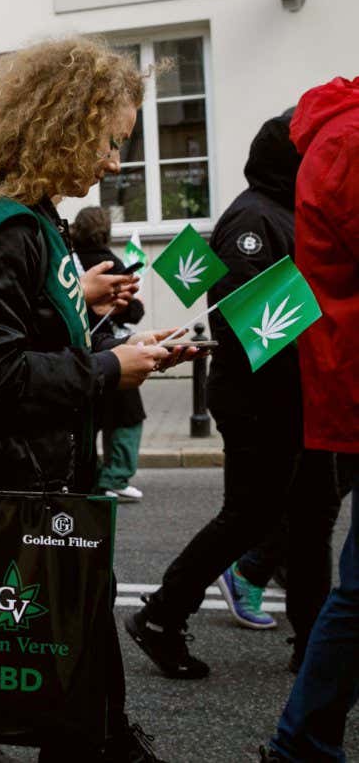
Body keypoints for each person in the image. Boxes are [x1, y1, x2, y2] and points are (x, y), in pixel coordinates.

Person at [0, 36, 194, 761]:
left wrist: (111, 343)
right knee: (0, 699)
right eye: (109, 140)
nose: (114, 163)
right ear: (64, 122)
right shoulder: (12, 227)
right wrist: (105, 371)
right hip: (3, 496)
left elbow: (6, 336)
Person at [126, 110, 340, 676]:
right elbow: (254, 324)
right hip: (262, 399)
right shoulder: (254, 217)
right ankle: (162, 615)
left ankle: (315, 644)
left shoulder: (294, 212)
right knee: (250, 516)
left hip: (304, 397)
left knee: (314, 517)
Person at [261, 76, 359, 762]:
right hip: (279, 392)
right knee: (272, 512)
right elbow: (250, 298)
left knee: (305, 516)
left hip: (322, 386)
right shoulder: (253, 216)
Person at [70, 206, 147, 502]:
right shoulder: (111, 264)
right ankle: (115, 477)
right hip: (112, 351)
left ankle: (89, 475)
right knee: (127, 418)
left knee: (88, 420)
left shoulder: (67, 260)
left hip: (76, 351)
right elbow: (134, 313)